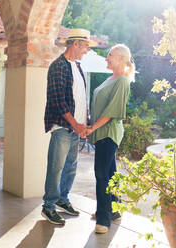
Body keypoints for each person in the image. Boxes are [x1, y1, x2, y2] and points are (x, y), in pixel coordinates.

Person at [42, 28, 97, 225]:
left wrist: (84, 125)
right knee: (56, 167)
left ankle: (62, 199)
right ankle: (48, 206)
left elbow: (80, 98)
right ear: (75, 44)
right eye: (85, 46)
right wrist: (75, 124)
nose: (86, 51)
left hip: (76, 128)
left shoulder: (78, 66)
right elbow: (58, 101)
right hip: (63, 127)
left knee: (71, 167)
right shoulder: (58, 66)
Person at [87, 44, 135, 234]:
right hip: (102, 132)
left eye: (110, 56)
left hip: (109, 133)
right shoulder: (111, 78)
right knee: (110, 172)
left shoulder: (122, 81)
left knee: (101, 174)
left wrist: (92, 128)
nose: (106, 59)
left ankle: (103, 219)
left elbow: (111, 112)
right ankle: (114, 210)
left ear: (122, 58)